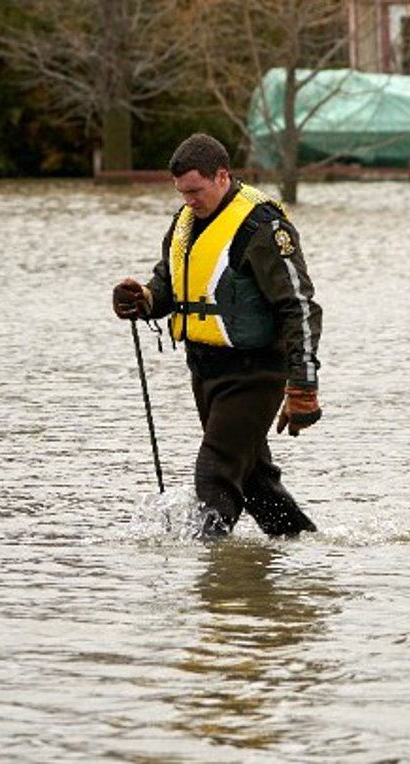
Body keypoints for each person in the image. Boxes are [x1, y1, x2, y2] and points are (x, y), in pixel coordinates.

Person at [112, 133, 322, 539]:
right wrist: (142, 300)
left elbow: (299, 306)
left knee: (215, 474)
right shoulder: (185, 222)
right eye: (182, 192)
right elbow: (168, 286)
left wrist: (303, 385)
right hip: (206, 372)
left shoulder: (263, 227)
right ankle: (307, 550)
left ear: (222, 176)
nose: (189, 200)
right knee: (256, 483)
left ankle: (214, 588)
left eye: (196, 190)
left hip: (255, 372)